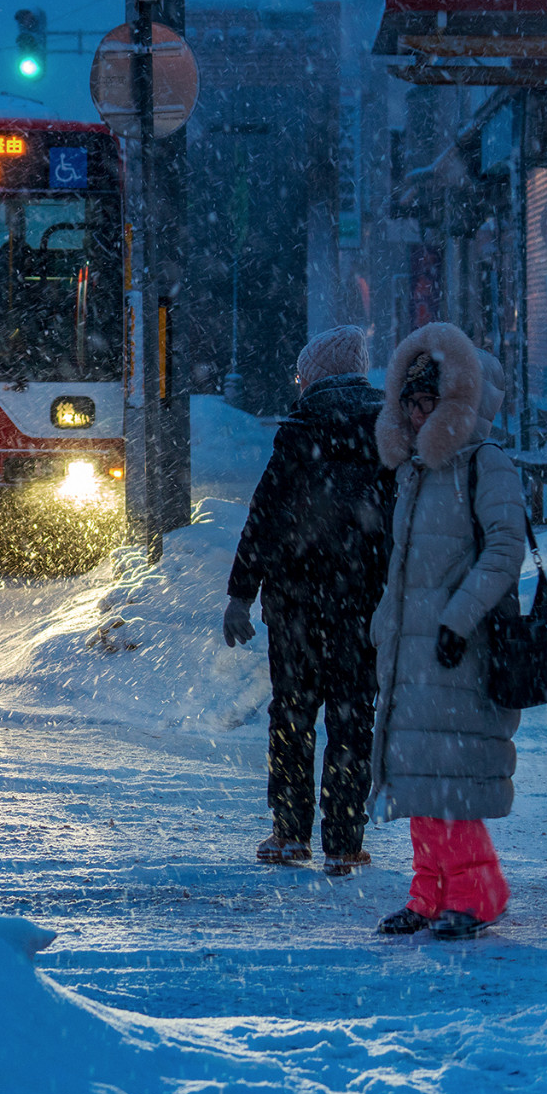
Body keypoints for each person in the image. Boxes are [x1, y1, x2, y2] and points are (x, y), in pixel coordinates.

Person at [366, 323, 525, 941]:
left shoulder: (484, 464)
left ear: (453, 402)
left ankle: (478, 893)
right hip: (413, 653)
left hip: (458, 651)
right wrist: (387, 628)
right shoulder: (417, 470)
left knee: (449, 785)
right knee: (420, 782)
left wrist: (458, 619)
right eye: (408, 401)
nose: (415, 412)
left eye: (427, 401)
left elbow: (505, 549)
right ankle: (430, 895)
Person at [222, 326, 395, 874]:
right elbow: (403, 519)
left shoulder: (299, 430)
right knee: (352, 719)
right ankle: (344, 842)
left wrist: (240, 594)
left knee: (292, 715)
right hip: (362, 603)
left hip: (296, 603)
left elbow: (265, 517)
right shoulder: (387, 431)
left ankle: (290, 832)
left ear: (316, 375)